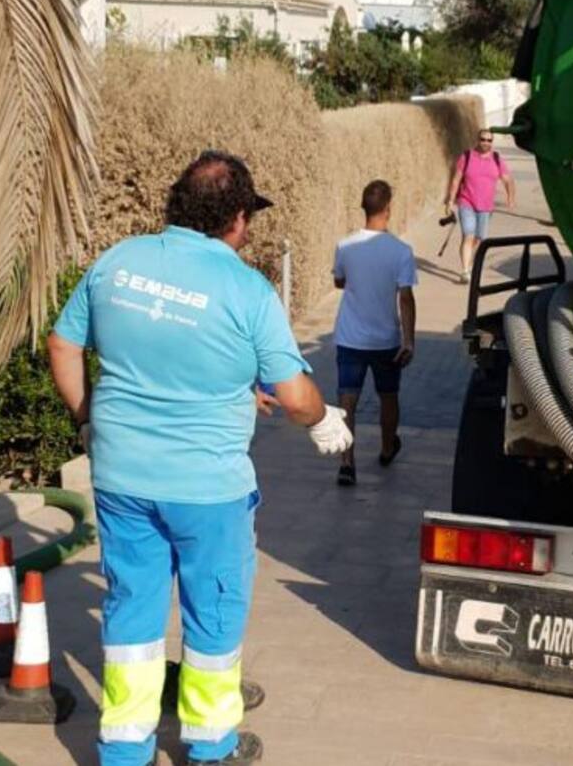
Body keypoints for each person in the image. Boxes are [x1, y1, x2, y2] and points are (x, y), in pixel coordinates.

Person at [47, 152, 352, 766]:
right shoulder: (246, 289)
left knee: (132, 609)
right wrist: (323, 420)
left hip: (122, 478)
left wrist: (89, 420)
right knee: (212, 616)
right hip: (207, 489)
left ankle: (125, 749)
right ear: (237, 218)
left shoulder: (119, 262)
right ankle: (210, 746)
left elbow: (64, 342)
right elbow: (294, 395)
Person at [331, 180, 417, 487]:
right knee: (388, 397)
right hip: (386, 341)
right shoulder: (401, 251)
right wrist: (409, 339)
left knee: (347, 401)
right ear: (388, 209)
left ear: (364, 208)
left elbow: (339, 282)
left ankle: (347, 464)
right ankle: (386, 448)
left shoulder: (345, 245)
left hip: (350, 338)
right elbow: (405, 298)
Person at [443, 128, 517, 283]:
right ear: (478, 140)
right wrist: (450, 200)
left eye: (489, 140)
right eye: (483, 139)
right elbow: (456, 179)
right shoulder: (467, 156)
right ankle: (465, 271)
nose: (486, 143)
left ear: (492, 142)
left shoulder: (497, 159)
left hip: (486, 206)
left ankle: (469, 262)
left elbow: (507, 180)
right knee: (468, 235)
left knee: (479, 238)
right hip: (466, 202)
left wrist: (511, 197)